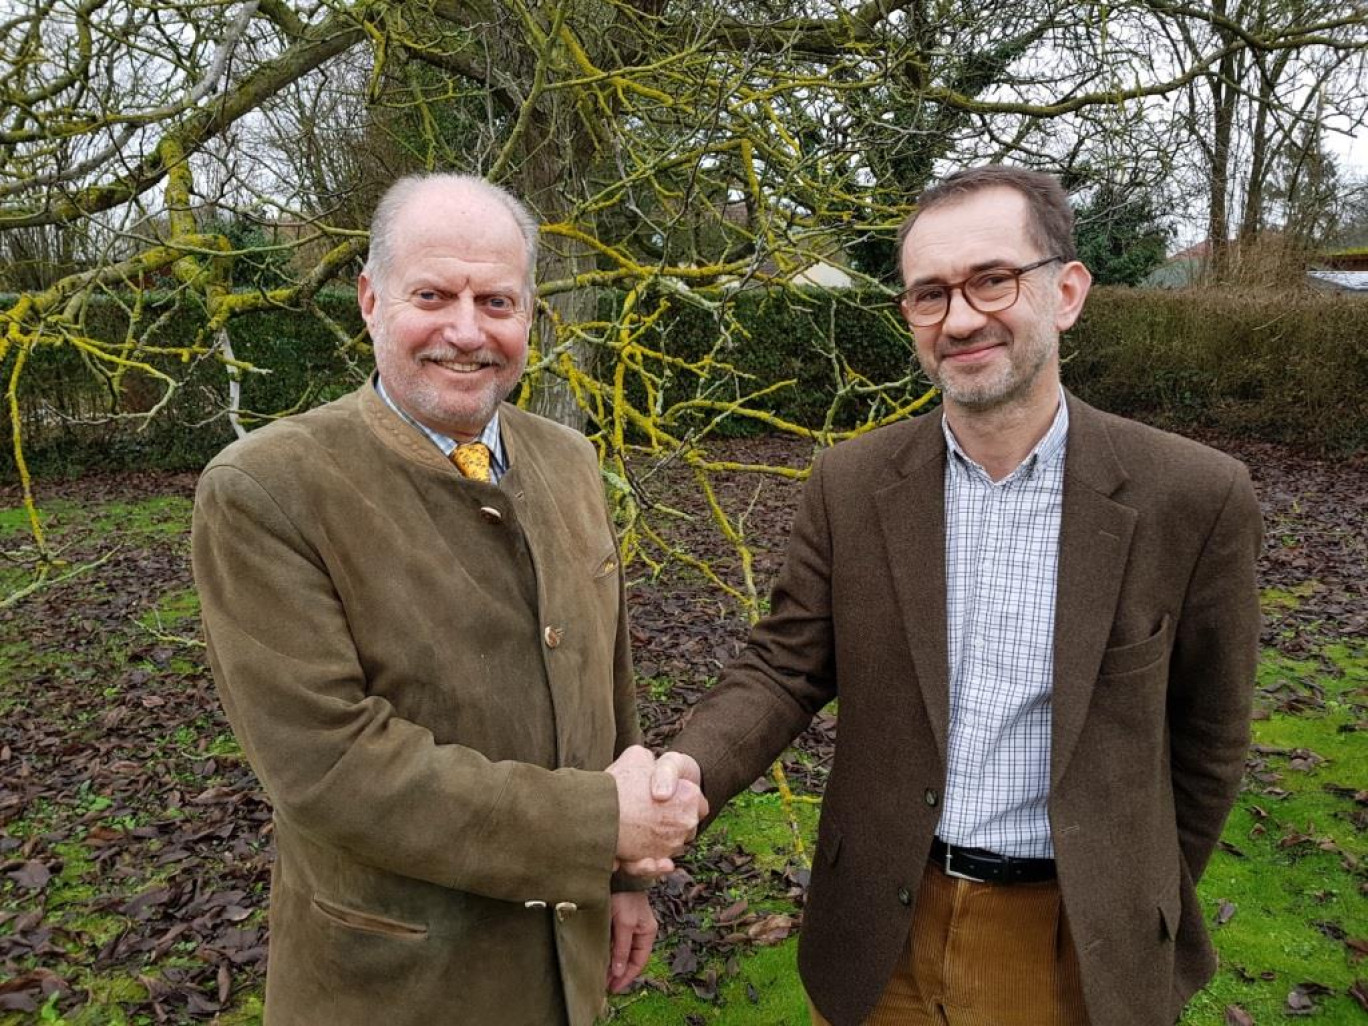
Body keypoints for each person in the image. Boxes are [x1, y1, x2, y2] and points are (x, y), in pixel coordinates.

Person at [644, 166, 1263, 1025]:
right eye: (929, 294)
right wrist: (688, 769)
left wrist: (1131, 888)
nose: (961, 318)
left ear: (1068, 292)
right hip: (880, 931)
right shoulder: (851, 484)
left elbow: (1211, 737)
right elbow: (783, 667)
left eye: (992, 280)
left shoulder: (1193, 498)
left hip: (1075, 947)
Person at [191, 172, 706, 1026]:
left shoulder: (570, 460)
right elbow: (328, 767)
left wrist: (618, 879)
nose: (466, 331)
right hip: (398, 985)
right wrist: (597, 828)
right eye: (432, 295)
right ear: (370, 299)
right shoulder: (266, 490)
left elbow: (603, 687)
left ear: (531, 315)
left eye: (497, 301)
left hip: (568, 965)